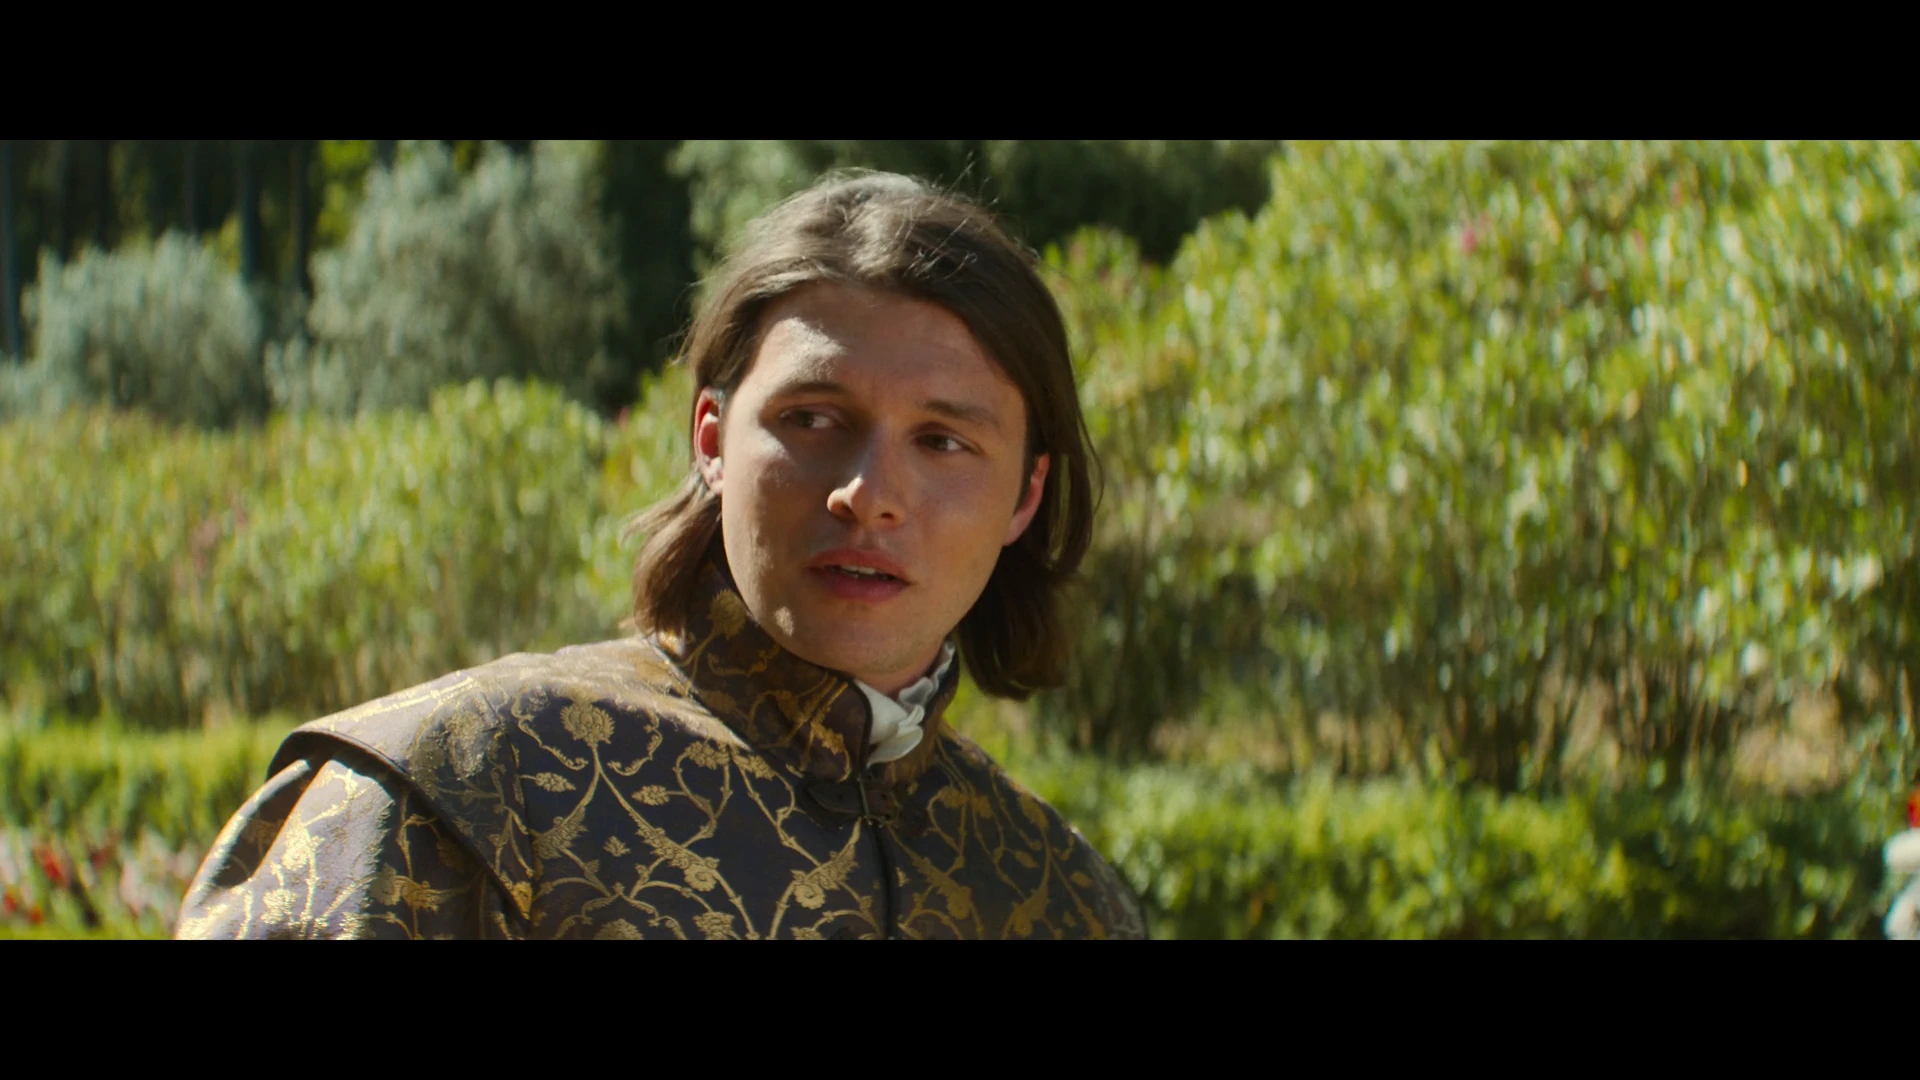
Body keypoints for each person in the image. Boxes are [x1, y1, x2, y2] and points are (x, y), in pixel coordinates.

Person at [174, 171, 1148, 940]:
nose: (868, 493)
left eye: (942, 441)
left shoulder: (1060, 896)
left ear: (1025, 495)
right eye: (813, 419)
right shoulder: (466, 791)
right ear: (712, 442)